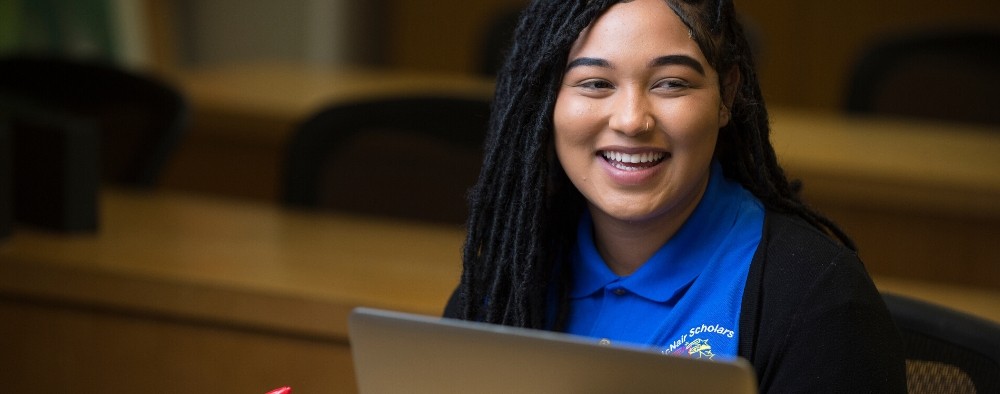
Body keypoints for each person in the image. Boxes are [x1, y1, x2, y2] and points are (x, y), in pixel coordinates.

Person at [444, 0, 907, 392]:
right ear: (548, 102)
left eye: (671, 83)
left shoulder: (819, 303)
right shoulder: (505, 280)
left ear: (727, 94)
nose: (631, 120)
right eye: (595, 83)